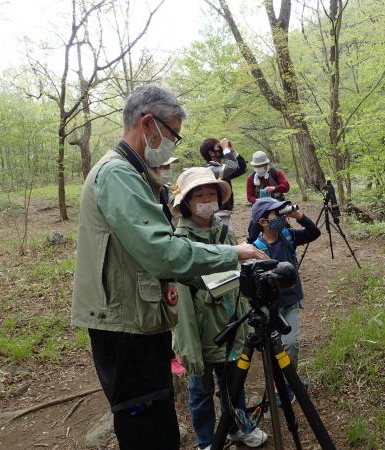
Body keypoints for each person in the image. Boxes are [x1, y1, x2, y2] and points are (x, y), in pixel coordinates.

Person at [71, 84, 266, 450]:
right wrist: (233, 254)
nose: (173, 144)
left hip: (138, 318)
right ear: (148, 124)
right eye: (173, 134)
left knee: (157, 423)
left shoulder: (134, 173)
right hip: (125, 327)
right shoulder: (118, 174)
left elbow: (156, 255)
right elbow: (162, 251)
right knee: (148, 429)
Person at [171, 167, 268, 450]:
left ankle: (237, 428)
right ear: (186, 202)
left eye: (211, 194)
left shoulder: (225, 231)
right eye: (198, 195)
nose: (206, 200)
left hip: (232, 321)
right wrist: (188, 346)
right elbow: (181, 299)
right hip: (201, 332)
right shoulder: (180, 242)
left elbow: (235, 276)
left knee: (234, 383)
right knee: (201, 390)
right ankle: (205, 442)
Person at [250, 197, 321, 402]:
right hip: (271, 307)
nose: (282, 217)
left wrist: (298, 215)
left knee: (291, 344)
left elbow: (314, 233)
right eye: (277, 214)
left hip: (290, 302)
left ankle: (290, 381)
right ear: (263, 222)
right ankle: (280, 384)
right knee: (274, 347)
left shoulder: (288, 236)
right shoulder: (257, 248)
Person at [199, 137, 247, 225]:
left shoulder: (220, 169)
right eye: (219, 147)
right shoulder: (211, 170)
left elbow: (242, 168)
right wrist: (225, 149)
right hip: (217, 215)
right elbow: (232, 166)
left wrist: (232, 151)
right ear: (211, 153)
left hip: (224, 213)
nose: (222, 149)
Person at [149, 155, 179, 225]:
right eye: (165, 167)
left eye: (169, 167)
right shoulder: (148, 192)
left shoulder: (167, 189)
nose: (168, 170)